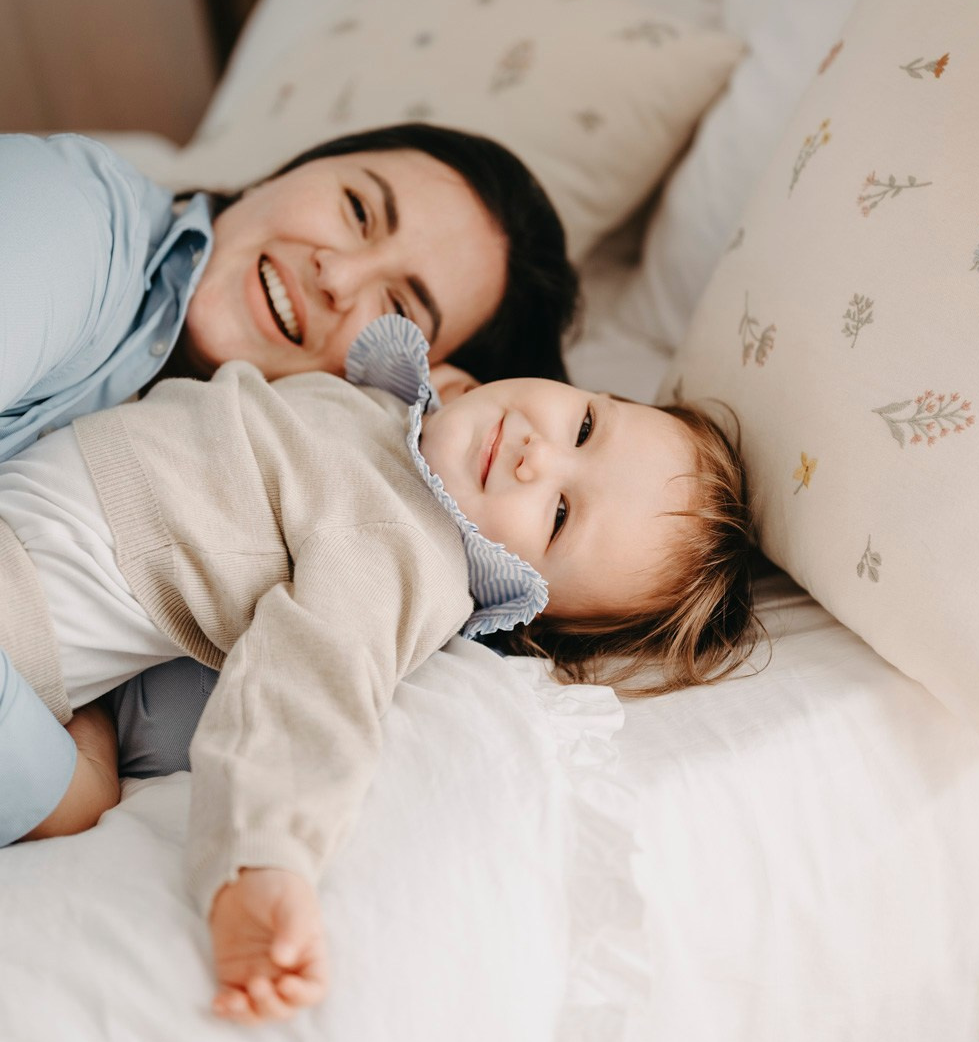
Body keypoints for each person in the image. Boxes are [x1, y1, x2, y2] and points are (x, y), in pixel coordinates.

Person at [0, 313, 759, 1025]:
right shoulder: (387, 414)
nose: (539, 455)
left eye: (559, 513)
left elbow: (316, 681)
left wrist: (265, 859)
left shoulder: (411, 551)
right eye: (585, 426)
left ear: (521, 592)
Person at [0, 123, 579, 833]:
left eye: (396, 309)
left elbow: (178, 732)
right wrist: (64, 796)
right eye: (358, 209)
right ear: (291, 167)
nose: (335, 276)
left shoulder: (262, 526)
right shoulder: (70, 216)